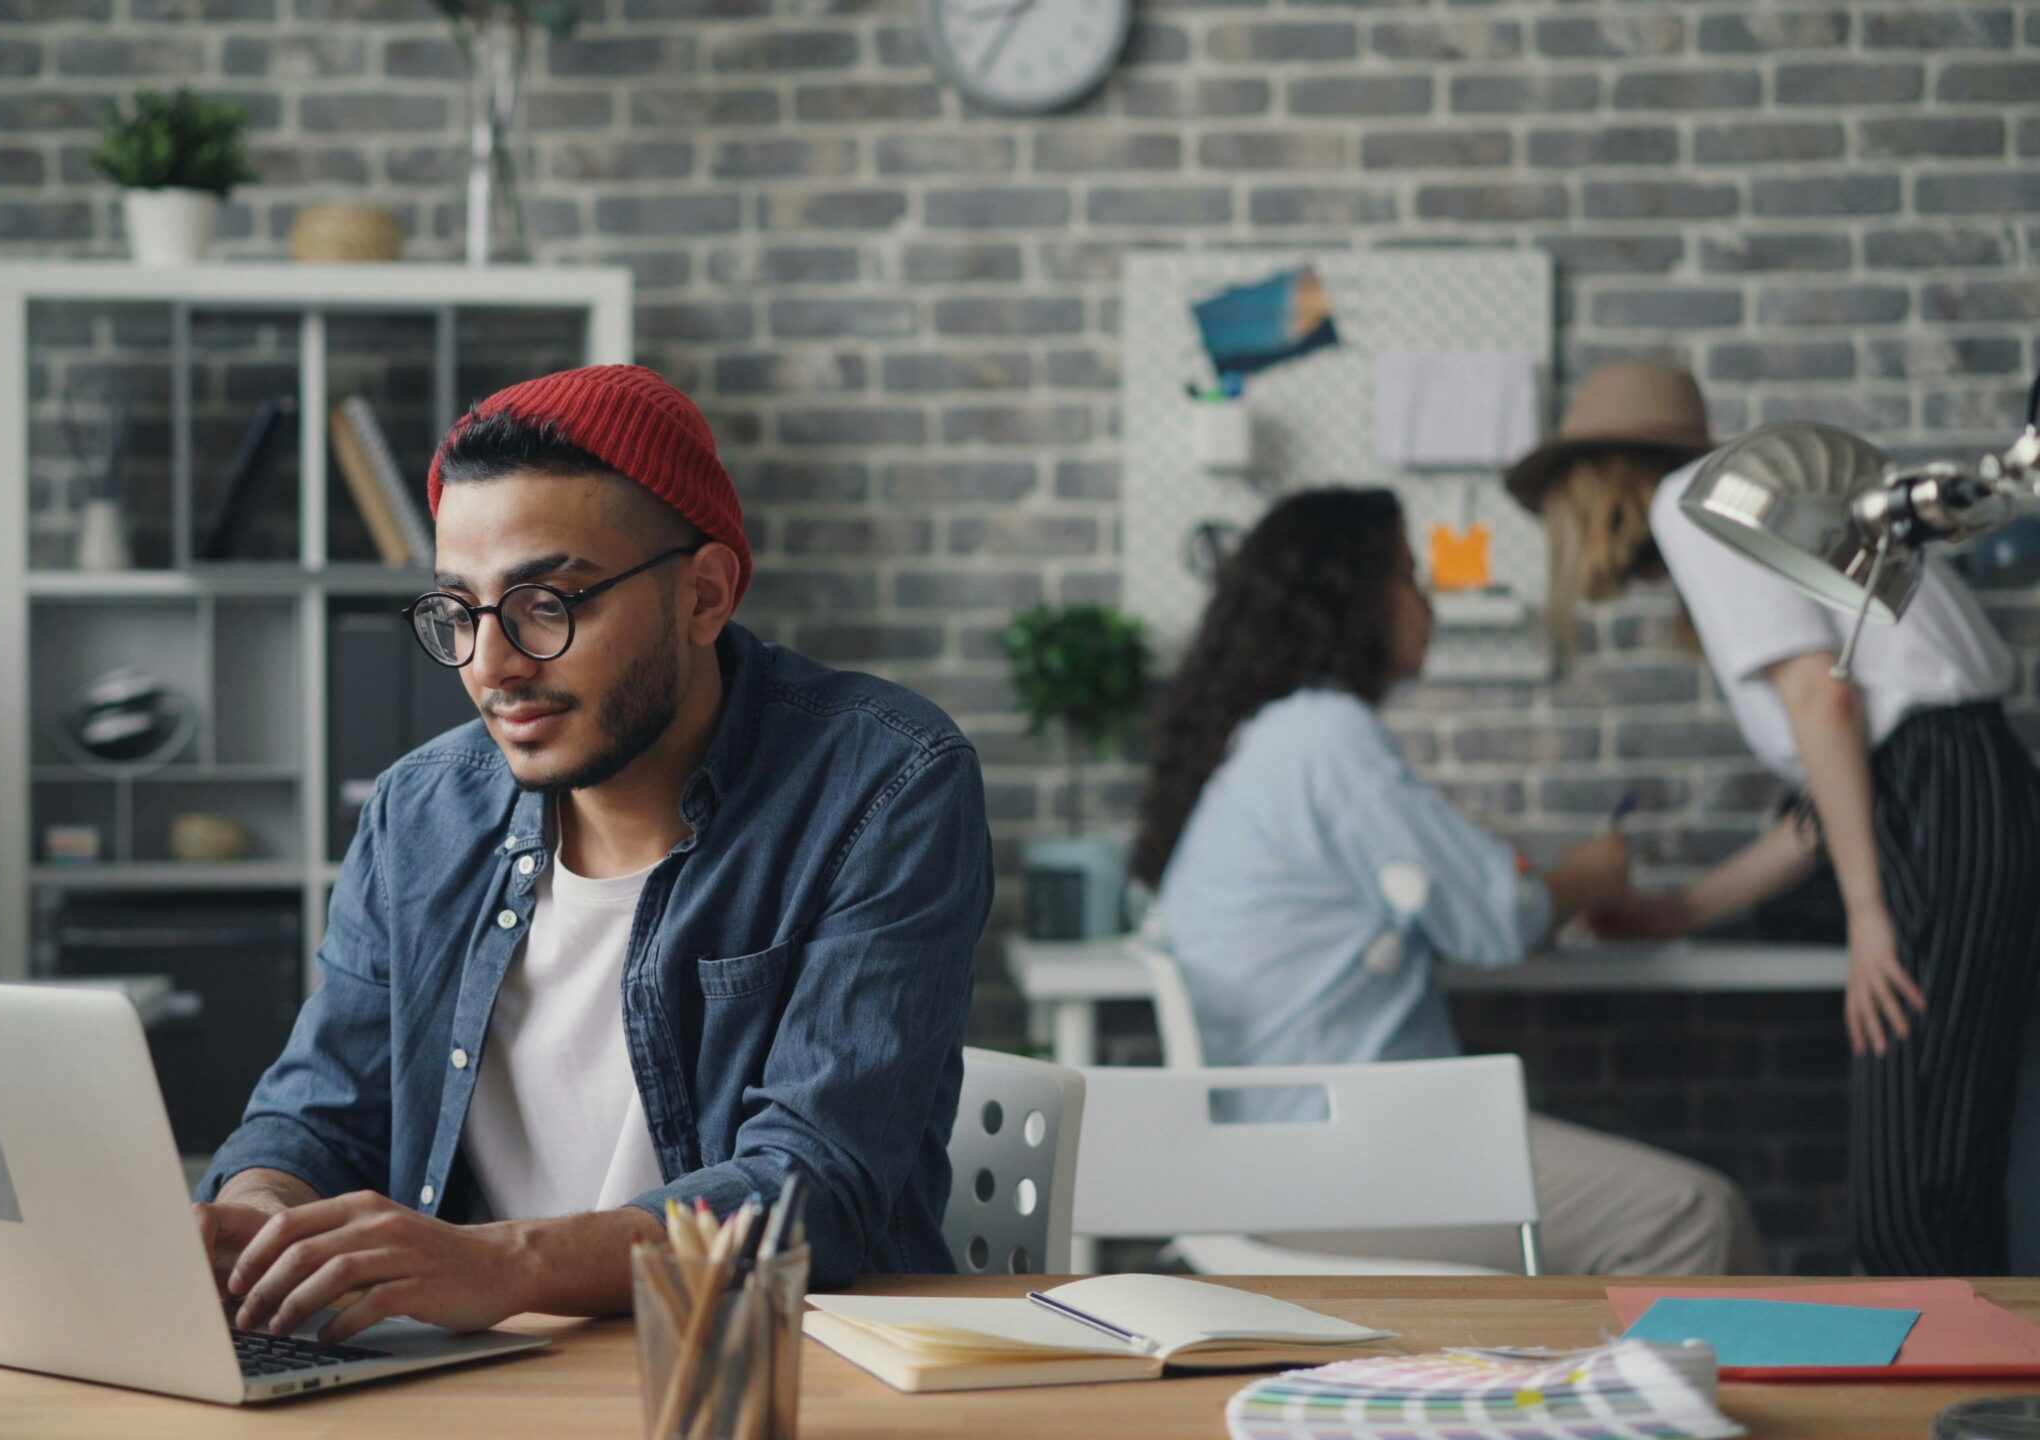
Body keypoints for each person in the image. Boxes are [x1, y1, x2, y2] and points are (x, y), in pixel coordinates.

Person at [193, 365, 990, 1339]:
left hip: (765, 1371)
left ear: (703, 595)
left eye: (546, 604)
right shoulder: (421, 811)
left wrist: (501, 1262)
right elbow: (321, 1110)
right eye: (460, 612)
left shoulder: (882, 783)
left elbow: (813, 1189)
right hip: (479, 1376)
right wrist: (263, 1205)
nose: (492, 665)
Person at [1133, 486, 1765, 1276]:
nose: (1426, 600)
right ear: (1350, 600)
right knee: (1691, 1216)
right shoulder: (1325, 737)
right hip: (1335, 1164)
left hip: (1289, 1155)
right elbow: (1497, 916)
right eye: (1407, 574)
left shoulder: (1269, 743)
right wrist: (1590, 877)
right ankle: (1637, 1400)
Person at [1509, 360, 2039, 1276]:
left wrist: (1869, 916)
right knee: (1939, 1184)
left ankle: (1964, 1415)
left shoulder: (1694, 501)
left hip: (1944, 804)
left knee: (1912, 1205)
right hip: (1961, 792)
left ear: (1591, 487)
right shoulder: (1748, 494)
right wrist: (1684, 912)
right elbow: (1829, 800)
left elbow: (1819, 707)